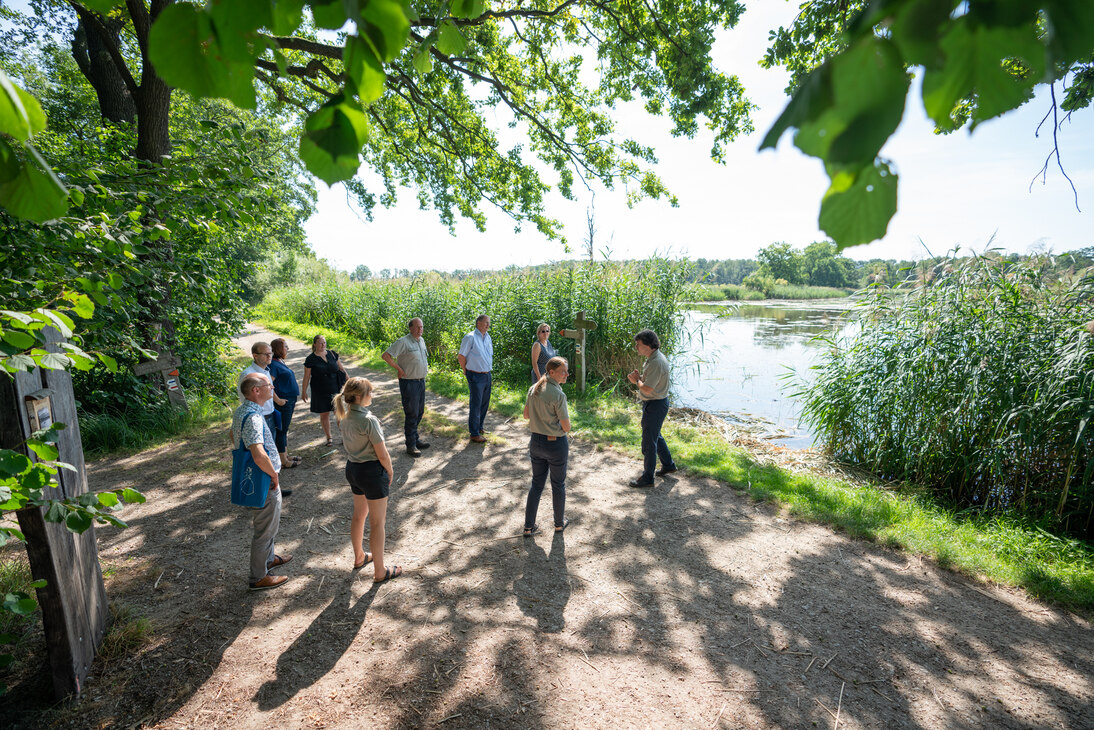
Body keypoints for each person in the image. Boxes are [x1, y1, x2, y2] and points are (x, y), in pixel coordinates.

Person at [334, 376, 402, 583]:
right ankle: (380, 571)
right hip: (372, 472)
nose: (372, 395)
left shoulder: (343, 416)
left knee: (359, 516)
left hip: (353, 469)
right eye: (370, 392)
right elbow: (382, 454)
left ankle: (359, 557)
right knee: (377, 523)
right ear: (359, 396)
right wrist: (389, 471)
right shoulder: (369, 420)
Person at [232, 373, 292, 591]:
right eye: (268, 385)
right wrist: (273, 474)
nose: (272, 387)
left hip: (259, 476)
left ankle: (268, 560)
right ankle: (258, 577)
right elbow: (258, 454)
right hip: (264, 478)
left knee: (268, 524)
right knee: (265, 528)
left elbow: (232, 436)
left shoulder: (242, 411)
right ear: (256, 390)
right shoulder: (254, 417)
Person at [523, 356, 572, 536]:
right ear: (551, 372)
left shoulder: (533, 388)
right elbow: (566, 427)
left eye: (567, 370)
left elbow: (526, 415)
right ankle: (559, 524)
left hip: (536, 442)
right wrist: (556, 425)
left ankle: (528, 526)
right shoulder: (558, 395)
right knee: (558, 484)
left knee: (536, 484)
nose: (567, 374)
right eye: (563, 371)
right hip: (555, 445)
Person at [626, 329, 678, 487]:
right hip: (655, 403)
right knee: (655, 436)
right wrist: (639, 378)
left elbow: (648, 389)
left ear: (649, 345)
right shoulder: (652, 358)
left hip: (655, 404)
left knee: (649, 441)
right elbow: (648, 384)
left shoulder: (656, 362)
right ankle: (668, 465)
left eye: (638, 345)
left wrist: (637, 381)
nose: (636, 347)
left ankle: (648, 477)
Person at [239, 342, 292, 496]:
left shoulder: (266, 370)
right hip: (259, 417)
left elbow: (269, 392)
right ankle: (265, 489)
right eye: (266, 354)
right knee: (263, 453)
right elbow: (245, 400)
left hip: (270, 414)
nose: (270, 356)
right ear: (255, 355)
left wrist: (277, 403)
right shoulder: (248, 374)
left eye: (270, 353)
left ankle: (273, 486)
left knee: (271, 451)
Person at [381, 317, 431, 456]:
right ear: (410, 328)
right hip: (409, 383)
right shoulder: (403, 342)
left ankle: (415, 439)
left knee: (419, 412)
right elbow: (386, 355)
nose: (420, 330)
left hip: (421, 381)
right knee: (412, 413)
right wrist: (399, 369)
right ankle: (411, 445)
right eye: (417, 327)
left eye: (422, 327)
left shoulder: (421, 341)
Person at [301, 334, 348, 446]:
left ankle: (344, 437)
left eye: (324, 343)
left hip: (335, 387)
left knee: (339, 413)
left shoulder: (332, 354)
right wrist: (304, 391)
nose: (323, 345)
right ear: (315, 344)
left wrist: (350, 381)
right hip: (320, 390)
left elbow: (341, 369)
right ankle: (329, 437)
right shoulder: (310, 359)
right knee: (324, 414)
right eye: (321, 343)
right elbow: (306, 377)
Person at [457, 314, 493, 443]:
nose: (488, 325)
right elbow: (461, 356)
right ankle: (474, 433)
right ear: (478, 323)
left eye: (489, 322)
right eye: (486, 322)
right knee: (476, 404)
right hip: (475, 375)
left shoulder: (488, 337)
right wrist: (466, 371)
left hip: (487, 374)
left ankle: (479, 427)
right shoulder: (470, 337)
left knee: (484, 403)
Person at [268, 338, 302, 469]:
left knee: (284, 429)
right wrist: (278, 400)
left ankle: (285, 455)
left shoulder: (279, 362)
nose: (288, 349)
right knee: (281, 430)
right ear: (278, 348)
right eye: (285, 347)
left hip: (289, 400)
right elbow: (268, 385)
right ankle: (283, 461)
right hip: (283, 402)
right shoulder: (273, 365)